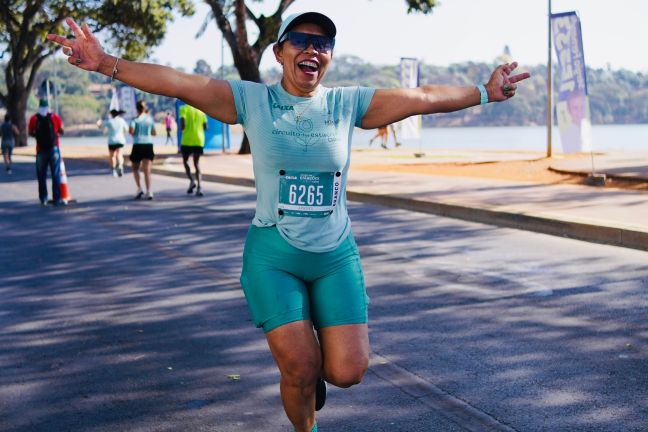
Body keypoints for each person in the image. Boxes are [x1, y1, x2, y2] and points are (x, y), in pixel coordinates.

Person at [49, 13, 529, 432]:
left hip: (335, 254)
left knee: (348, 371)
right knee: (300, 368)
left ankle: (315, 368)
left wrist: (484, 93)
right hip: (273, 256)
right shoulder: (251, 101)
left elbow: (422, 96)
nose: (312, 49)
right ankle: (306, 423)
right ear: (279, 52)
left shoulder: (347, 105)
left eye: (323, 43)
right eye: (300, 40)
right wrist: (106, 62)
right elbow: (177, 82)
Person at [28, 98, 66, 206]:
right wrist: (57, 134)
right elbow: (61, 130)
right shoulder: (54, 117)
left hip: (40, 150)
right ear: (48, 107)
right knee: (55, 174)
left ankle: (43, 198)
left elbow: (30, 132)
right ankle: (57, 199)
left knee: (41, 176)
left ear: (39, 106)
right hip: (54, 149)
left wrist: (38, 136)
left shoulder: (34, 118)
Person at [129, 100, 156, 200]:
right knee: (147, 170)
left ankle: (139, 188)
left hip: (137, 145)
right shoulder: (150, 119)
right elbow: (154, 133)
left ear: (137, 109)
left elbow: (131, 131)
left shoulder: (135, 120)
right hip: (148, 145)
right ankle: (149, 191)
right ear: (144, 109)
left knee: (135, 169)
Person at [179, 103, 208, 196]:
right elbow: (206, 127)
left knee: (185, 161)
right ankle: (199, 187)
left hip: (187, 140)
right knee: (197, 163)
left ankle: (192, 181)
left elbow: (182, 125)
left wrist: (185, 128)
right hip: (199, 140)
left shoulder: (183, 109)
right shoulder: (201, 110)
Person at [97, 108, 128, 177]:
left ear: (111, 114)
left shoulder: (110, 121)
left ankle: (113, 170)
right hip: (120, 140)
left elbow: (101, 127)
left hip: (112, 141)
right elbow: (126, 129)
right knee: (119, 154)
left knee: (112, 156)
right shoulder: (121, 120)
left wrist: (98, 123)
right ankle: (120, 166)